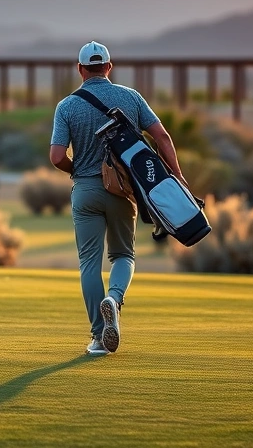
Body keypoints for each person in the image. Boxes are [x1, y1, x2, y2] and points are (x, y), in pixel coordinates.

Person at [50, 41, 187, 356]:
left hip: (85, 190)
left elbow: (57, 156)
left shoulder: (66, 106)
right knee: (123, 255)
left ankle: (99, 338)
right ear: (109, 67)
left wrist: (77, 172)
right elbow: (162, 136)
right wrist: (177, 176)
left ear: (80, 69)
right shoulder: (131, 97)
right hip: (123, 190)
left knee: (89, 262)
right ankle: (114, 297)